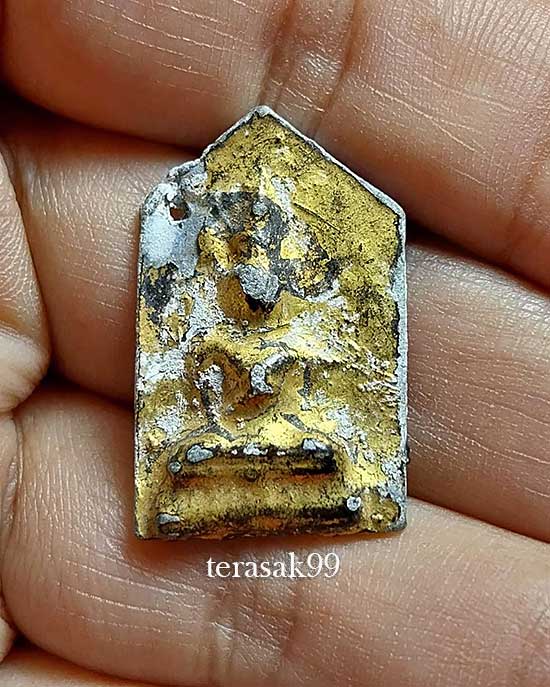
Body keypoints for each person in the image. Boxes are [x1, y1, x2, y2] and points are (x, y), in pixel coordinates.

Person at [0, 1, 549, 685]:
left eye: (264, 255)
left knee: (317, 444)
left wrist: (288, 365)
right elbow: (199, 385)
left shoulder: (304, 314)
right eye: (239, 257)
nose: (252, 276)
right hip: (224, 441)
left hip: (296, 439)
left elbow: (327, 365)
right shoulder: (207, 320)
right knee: (198, 450)